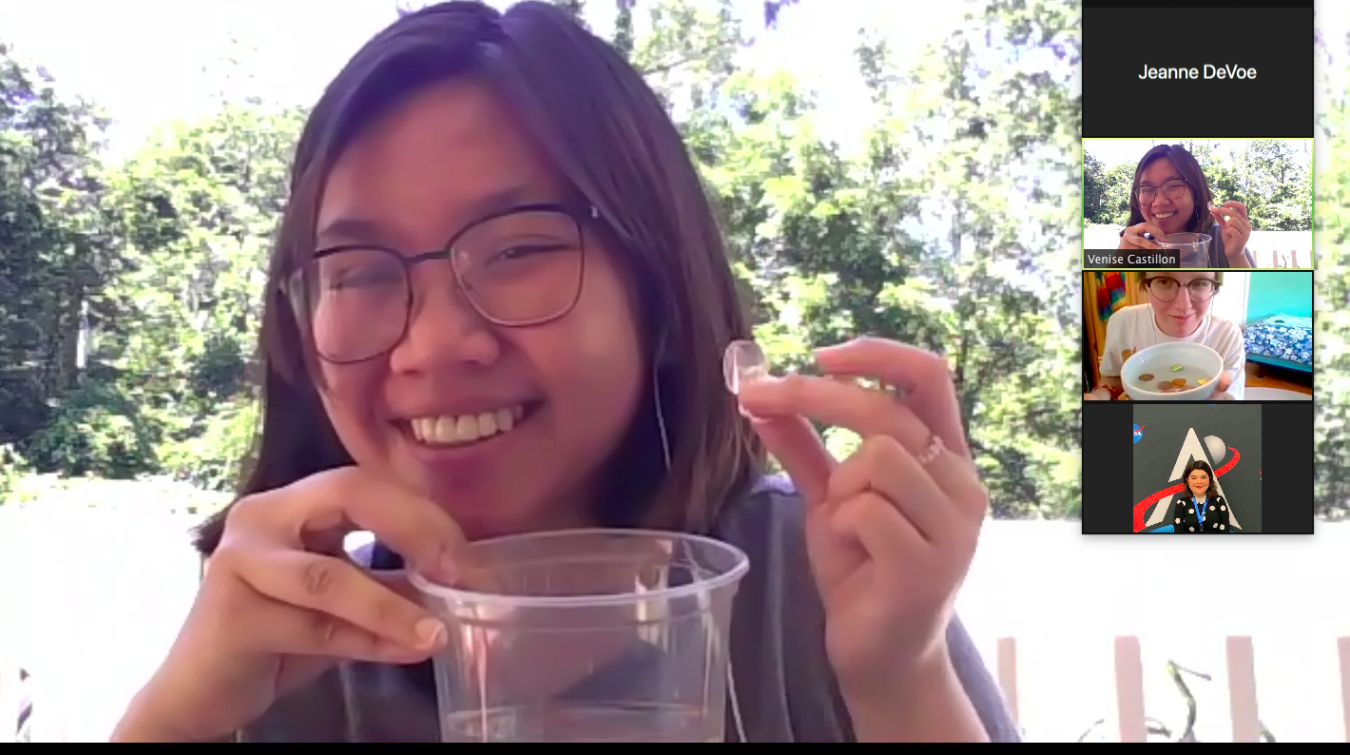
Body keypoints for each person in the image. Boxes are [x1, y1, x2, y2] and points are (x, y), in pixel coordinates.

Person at [109, 1, 1017, 744]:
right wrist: (174, 717)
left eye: (519, 250)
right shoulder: (285, 644)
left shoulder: (814, 575)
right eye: (357, 272)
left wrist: (903, 677)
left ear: (659, 294)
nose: (431, 346)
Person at [1084, 271, 1245, 401]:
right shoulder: (1122, 322)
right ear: (1145, 283)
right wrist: (1098, 397)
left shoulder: (1227, 335)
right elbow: (1111, 380)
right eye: (1164, 281)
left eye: (1200, 283)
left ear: (1214, 286)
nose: (1183, 305)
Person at [1116, 144, 1256, 269]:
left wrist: (1237, 256)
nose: (1158, 202)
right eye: (1146, 189)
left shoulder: (1222, 239)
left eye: (1173, 186)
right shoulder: (1134, 249)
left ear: (1196, 191)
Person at [1166, 461, 1233, 534]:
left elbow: (1225, 531)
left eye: (1203, 477)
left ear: (1209, 479)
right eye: (1193, 478)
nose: (1199, 482)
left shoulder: (1219, 501)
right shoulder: (1181, 503)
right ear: (1187, 480)